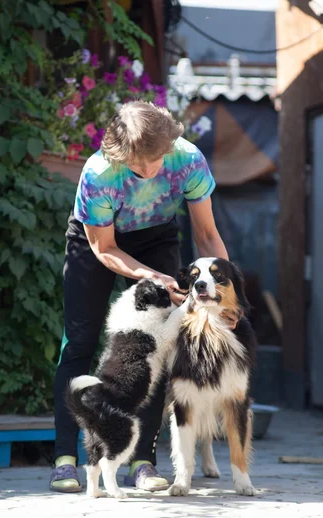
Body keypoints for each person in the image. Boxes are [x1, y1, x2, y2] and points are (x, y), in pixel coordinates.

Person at [50, 100, 231, 493]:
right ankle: (66, 457)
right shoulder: (99, 173)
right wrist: (149, 275)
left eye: (155, 161)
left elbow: (207, 235)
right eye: (138, 165)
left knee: (160, 347)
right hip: (96, 242)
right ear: (119, 154)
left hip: (156, 235)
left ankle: (144, 462)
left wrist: (224, 297)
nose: (149, 171)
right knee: (79, 341)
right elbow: (106, 249)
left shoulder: (188, 160)